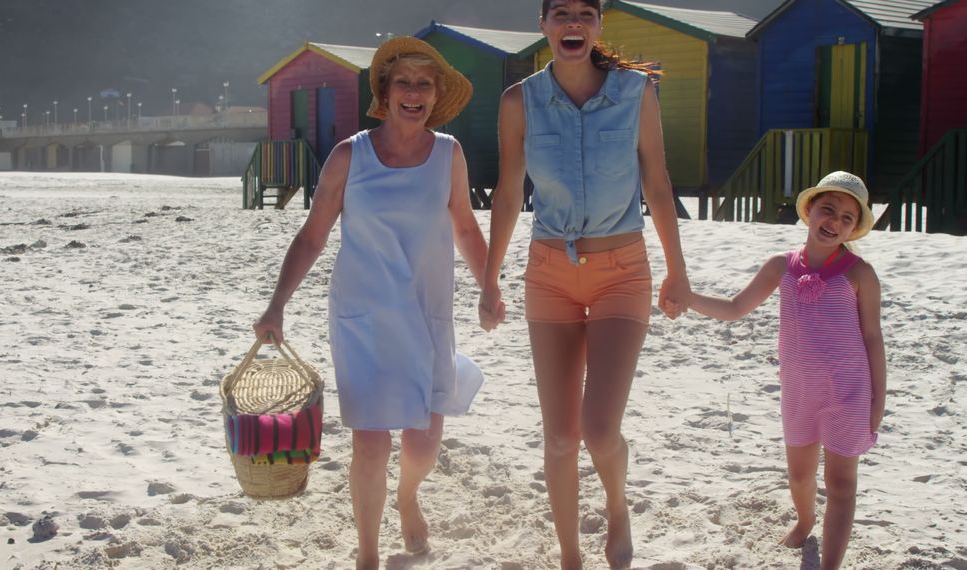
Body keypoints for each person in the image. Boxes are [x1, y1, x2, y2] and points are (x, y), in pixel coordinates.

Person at [252, 37, 487, 570]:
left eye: (424, 84)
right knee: (372, 445)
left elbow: (467, 228)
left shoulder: (449, 154)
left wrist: (489, 287)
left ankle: (407, 497)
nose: (413, 92)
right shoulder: (347, 156)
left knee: (424, 444)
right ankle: (368, 554)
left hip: (427, 314)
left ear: (435, 96)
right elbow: (312, 236)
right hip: (364, 318)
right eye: (403, 81)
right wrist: (276, 305)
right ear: (384, 91)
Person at [477, 1, 691, 567]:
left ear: (599, 25)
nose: (574, 23)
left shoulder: (635, 92)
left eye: (586, 13)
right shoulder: (518, 101)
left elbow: (659, 182)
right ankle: (571, 554)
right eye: (561, 13)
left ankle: (617, 508)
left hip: (622, 270)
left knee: (599, 431)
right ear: (543, 25)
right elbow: (506, 192)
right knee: (559, 439)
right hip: (549, 276)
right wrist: (490, 278)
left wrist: (677, 268)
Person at [685, 171, 886, 569]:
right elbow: (733, 308)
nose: (835, 222)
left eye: (847, 218)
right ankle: (806, 519)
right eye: (828, 210)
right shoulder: (781, 266)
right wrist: (686, 298)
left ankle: (829, 565)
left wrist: (878, 401)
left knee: (842, 484)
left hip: (848, 394)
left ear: (855, 227)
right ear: (809, 210)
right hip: (799, 392)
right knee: (799, 477)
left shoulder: (859, 274)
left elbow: (873, 339)